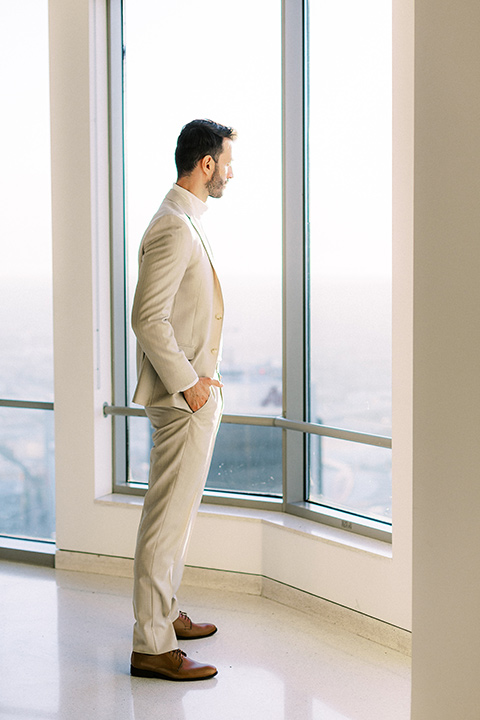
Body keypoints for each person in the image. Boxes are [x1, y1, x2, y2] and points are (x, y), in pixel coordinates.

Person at [129, 119, 236, 681]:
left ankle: (165, 617)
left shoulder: (184, 222)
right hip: (181, 401)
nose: (231, 172)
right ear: (206, 163)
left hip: (189, 399)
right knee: (166, 523)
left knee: (177, 519)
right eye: (227, 161)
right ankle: (151, 643)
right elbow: (147, 318)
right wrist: (189, 384)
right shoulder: (173, 226)